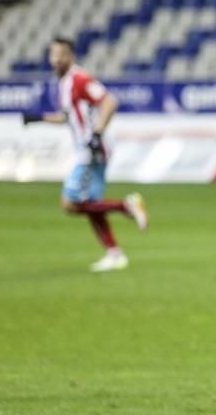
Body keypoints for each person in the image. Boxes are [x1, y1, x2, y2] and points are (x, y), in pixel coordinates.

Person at [23, 37, 148, 272]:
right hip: (87, 147)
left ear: (71, 57)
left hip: (91, 149)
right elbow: (67, 117)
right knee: (91, 203)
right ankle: (115, 254)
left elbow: (109, 101)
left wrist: (97, 133)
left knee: (70, 203)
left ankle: (127, 205)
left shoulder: (80, 79)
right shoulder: (64, 84)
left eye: (61, 55)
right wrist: (39, 118)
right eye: (53, 55)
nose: (56, 60)